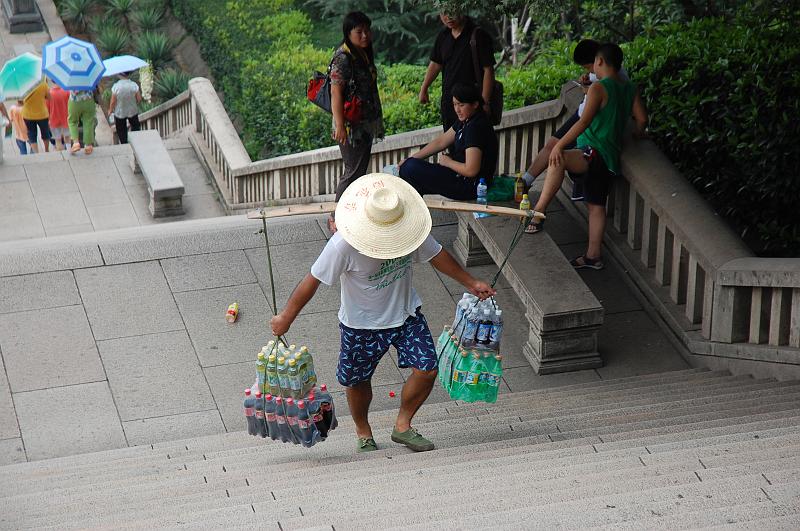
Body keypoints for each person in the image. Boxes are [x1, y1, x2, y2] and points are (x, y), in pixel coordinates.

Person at [270, 174, 496, 453]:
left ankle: (403, 425)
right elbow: (312, 281)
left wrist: (471, 283)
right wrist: (286, 318)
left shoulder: (409, 229)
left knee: (427, 368)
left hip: (406, 316)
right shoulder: (343, 244)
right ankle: (364, 431)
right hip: (360, 325)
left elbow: (436, 254)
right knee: (356, 381)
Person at [528, 43, 648, 271]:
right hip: (610, 158)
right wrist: (638, 134)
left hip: (591, 151)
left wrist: (559, 145)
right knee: (596, 206)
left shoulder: (599, 88)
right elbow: (641, 119)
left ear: (600, 61)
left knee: (559, 158)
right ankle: (593, 256)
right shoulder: (629, 87)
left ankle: (539, 211)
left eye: (595, 63)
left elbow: (583, 121)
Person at [520, 39, 630, 192]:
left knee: (557, 153)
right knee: (551, 145)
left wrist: (560, 145)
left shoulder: (613, 79)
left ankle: (538, 203)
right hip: (582, 113)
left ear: (599, 61)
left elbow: (589, 117)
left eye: (589, 68)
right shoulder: (603, 73)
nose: (590, 72)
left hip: (590, 122)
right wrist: (586, 82)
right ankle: (525, 181)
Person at [328, 11, 385, 234]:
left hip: (364, 123)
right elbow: (336, 92)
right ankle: (336, 219)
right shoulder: (343, 57)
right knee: (353, 171)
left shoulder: (362, 53)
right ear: (348, 33)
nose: (365, 36)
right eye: (359, 32)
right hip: (351, 126)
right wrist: (340, 125)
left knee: (358, 170)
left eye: (367, 31)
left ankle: (348, 214)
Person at [398, 82, 498, 200]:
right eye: (455, 104)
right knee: (410, 167)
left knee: (410, 168)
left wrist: (448, 162)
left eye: (461, 105)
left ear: (475, 104)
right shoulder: (466, 121)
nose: (457, 110)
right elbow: (441, 142)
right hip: (459, 176)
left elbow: (471, 170)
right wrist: (411, 158)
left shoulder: (475, 127)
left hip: (470, 186)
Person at [419, 11, 496, 132]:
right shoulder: (443, 36)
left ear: (461, 9)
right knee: (452, 145)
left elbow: (488, 70)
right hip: (449, 103)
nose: (448, 17)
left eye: (452, 12)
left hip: (471, 104)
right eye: (444, 13)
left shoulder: (478, 35)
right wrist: (424, 88)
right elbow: (435, 63)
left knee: (472, 142)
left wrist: (484, 102)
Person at [109, 71, 142, 144]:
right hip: (132, 111)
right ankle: (136, 142)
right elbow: (139, 99)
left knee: (121, 130)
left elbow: (113, 102)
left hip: (119, 112)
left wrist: (110, 110)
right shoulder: (134, 85)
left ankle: (124, 143)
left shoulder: (116, 86)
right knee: (135, 127)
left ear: (119, 75)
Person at [22, 80, 51, 153]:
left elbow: (20, 100)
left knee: (31, 133)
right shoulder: (43, 84)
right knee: (45, 133)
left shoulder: (23, 85)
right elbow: (49, 97)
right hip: (42, 114)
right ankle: (46, 150)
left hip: (28, 114)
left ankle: (36, 152)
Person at [68, 89, 96, 155]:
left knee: (72, 121)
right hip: (88, 99)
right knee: (88, 121)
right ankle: (88, 145)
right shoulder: (88, 78)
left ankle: (76, 143)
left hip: (74, 100)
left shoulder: (72, 78)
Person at [47, 83, 71, 151]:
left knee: (58, 140)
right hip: (66, 118)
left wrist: (48, 120)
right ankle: (69, 151)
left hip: (54, 120)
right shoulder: (66, 91)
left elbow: (47, 108)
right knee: (67, 137)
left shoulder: (49, 93)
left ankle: (61, 154)